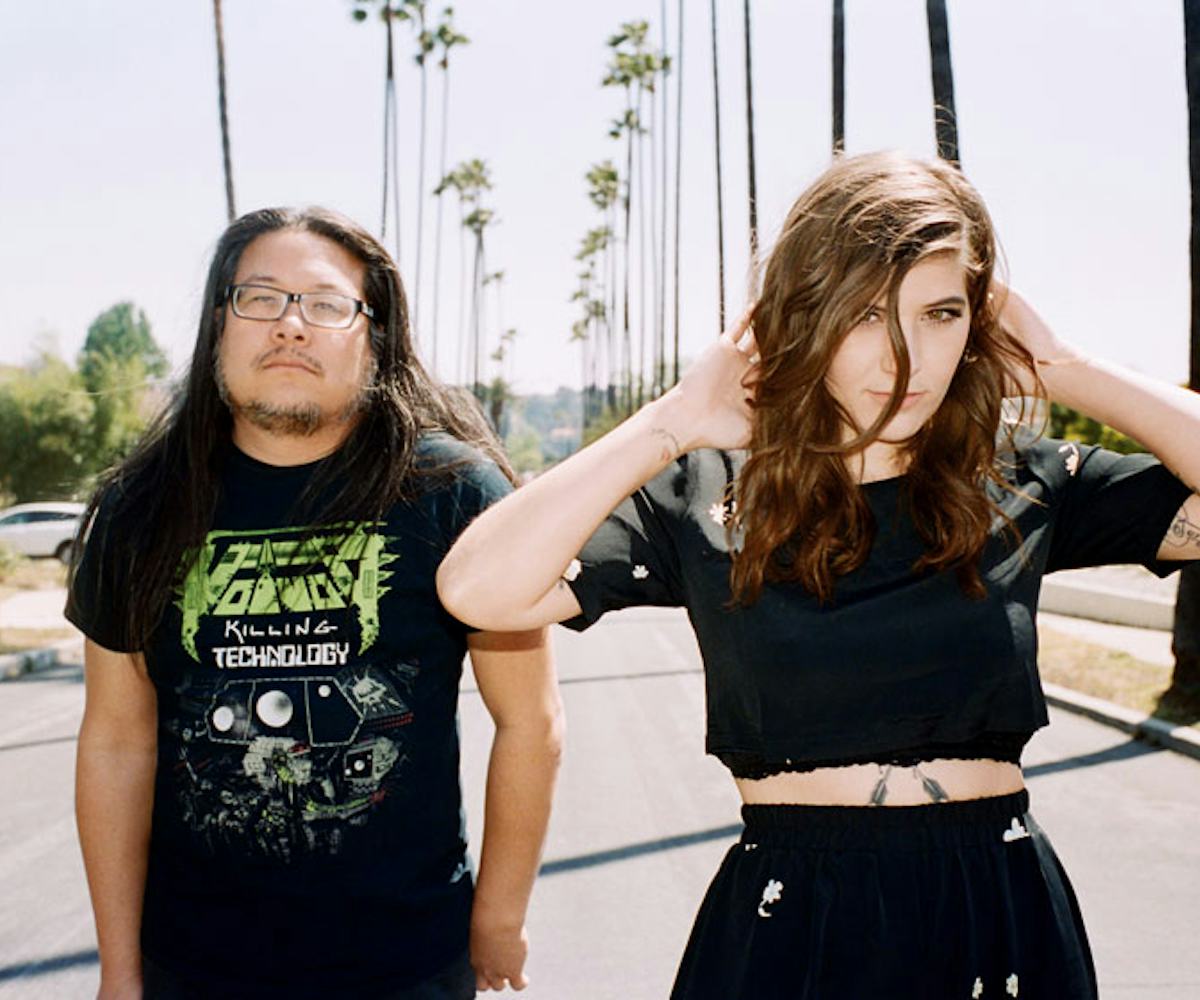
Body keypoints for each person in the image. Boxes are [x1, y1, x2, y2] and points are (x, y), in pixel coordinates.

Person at [436, 151, 1200, 998]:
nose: (903, 356)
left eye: (941, 312)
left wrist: (1067, 370)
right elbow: (478, 589)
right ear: (805, 315)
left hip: (999, 914)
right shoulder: (706, 494)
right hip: (791, 922)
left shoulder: (1021, 480)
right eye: (867, 313)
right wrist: (673, 420)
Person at [68, 206, 563, 1000]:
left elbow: (530, 722)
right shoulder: (141, 509)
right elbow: (117, 742)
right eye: (259, 297)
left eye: (328, 304)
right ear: (218, 325)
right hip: (191, 966)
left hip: (403, 966)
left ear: (375, 333)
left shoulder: (453, 494)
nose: (290, 325)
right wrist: (120, 969)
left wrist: (499, 916)